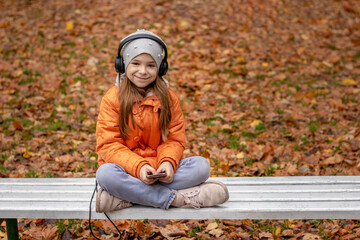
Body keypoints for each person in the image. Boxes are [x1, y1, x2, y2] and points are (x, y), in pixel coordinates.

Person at [95, 29, 229, 212]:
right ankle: (178, 199)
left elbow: (174, 139)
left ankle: (127, 197)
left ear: (161, 68)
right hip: (126, 170)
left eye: (151, 65)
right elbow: (108, 145)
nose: (143, 71)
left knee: (201, 167)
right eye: (135, 63)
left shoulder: (168, 98)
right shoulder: (112, 99)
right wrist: (139, 167)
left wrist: (168, 162)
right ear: (123, 64)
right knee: (105, 174)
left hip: (160, 170)